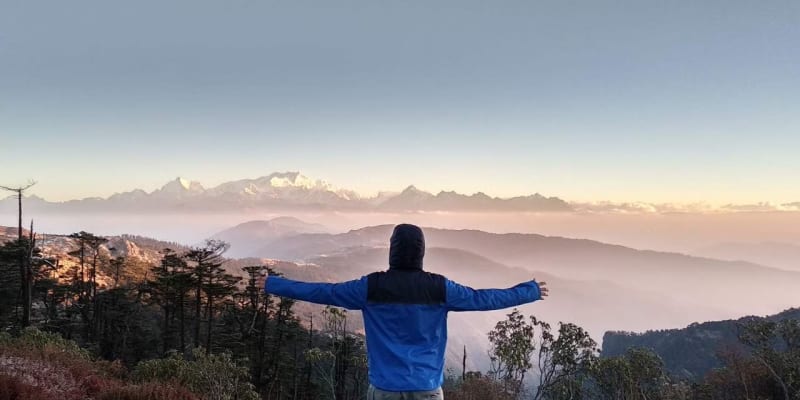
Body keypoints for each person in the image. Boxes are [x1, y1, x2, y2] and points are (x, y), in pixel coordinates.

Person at [260, 223, 548, 400]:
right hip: (426, 388)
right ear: (421, 252)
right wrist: (529, 291)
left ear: (392, 251)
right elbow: (484, 299)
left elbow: (322, 292)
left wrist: (274, 283)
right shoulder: (439, 288)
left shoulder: (371, 287)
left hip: (385, 388)